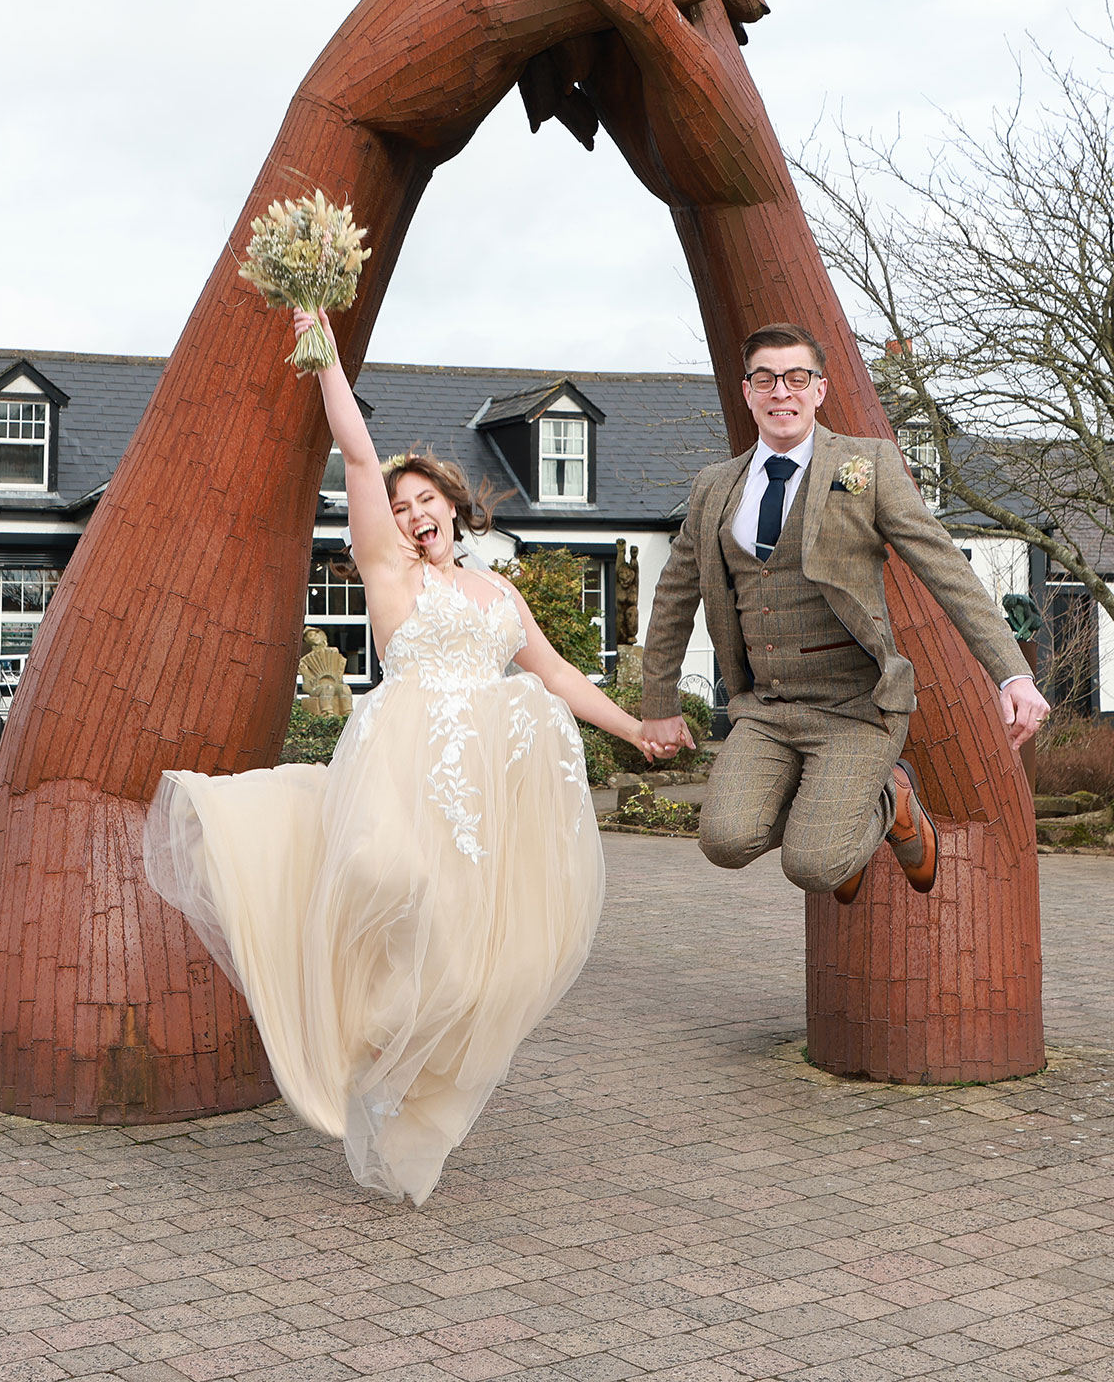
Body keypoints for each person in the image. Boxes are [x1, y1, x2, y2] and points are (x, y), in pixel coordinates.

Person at [144, 308, 655, 1205]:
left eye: (428, 501)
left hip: (485, 788)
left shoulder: (499, 591)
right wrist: (328, 361)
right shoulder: (389, 571)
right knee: (383, 875)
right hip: (402, 757)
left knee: (476, 956)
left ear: (455, 507)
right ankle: (353, 1029)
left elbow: (562, 674)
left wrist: (637, 731)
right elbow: (352, 451)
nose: (415, 513)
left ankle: (403, 1070)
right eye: (402, 502)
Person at [640, 323, 1050, 906]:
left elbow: (945, 568)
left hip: (858, 708)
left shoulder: (868, 465)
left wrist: (1012, 673)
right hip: (766, 707)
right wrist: (658, 704)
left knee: (813, 865)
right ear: (748, 391)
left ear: (819, 390)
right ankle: (837, 817)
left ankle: (890, 797)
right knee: (724, 841)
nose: (781, 391)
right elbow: (675, 596)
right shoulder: (713, 487)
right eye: (766, 378)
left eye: (796, 378)